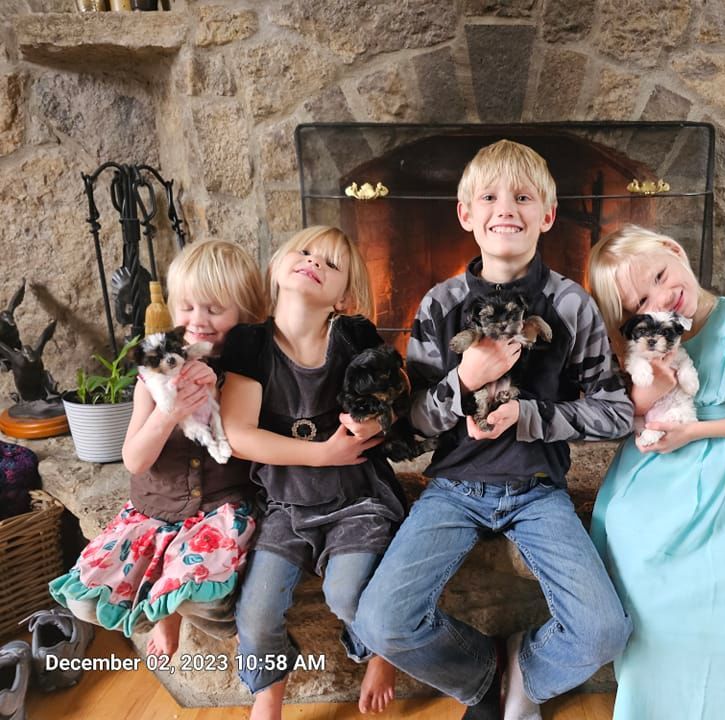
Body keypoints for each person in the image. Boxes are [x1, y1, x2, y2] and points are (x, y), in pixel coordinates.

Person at [353, 139, 635, 720]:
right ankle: (481, 674)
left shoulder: (570, 304)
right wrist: (464, 379)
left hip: (538, 489)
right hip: (452, 488)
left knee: (604, 631)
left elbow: (616, 412)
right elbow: (419, 426)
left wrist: (531, 417)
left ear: (548, 216)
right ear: (467, 215)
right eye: (490, 197)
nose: (506, 208)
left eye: (523, 197)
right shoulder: (439, 303)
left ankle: (527, 672)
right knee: (381, 621)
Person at [587, 225, 725, 719]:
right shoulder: (649, 345)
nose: (662, 297)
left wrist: (697, 432)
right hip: (649, 491)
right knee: (652, 637)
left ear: (675, 250)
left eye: (662, 276)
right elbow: (613, 414)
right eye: (640, 302)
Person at [49, 240, 269, 657]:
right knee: (84, 599)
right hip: (154, 508)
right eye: (187, 307)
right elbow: (134, 459)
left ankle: (221, 619)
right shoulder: (154, 373)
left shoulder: (249, 372)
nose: (198, 320)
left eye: (215, 309)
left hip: (219, 509)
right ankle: (159, 613)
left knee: (197, 591)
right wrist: (169, 411)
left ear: (246, 313)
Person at [219, 226, 405, 720]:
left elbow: (393, 397)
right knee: (256, 614)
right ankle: (268, 695)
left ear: (343, 296)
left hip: (357, 497)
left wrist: (373, 419)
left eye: (330, 263)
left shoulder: (353, 336)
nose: (313, 263)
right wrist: (322, 454)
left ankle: (380, 651)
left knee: (347, 595)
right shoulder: (251, 343)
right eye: (304, 253)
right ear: (279, 264)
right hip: (285, 502)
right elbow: (239, 433)